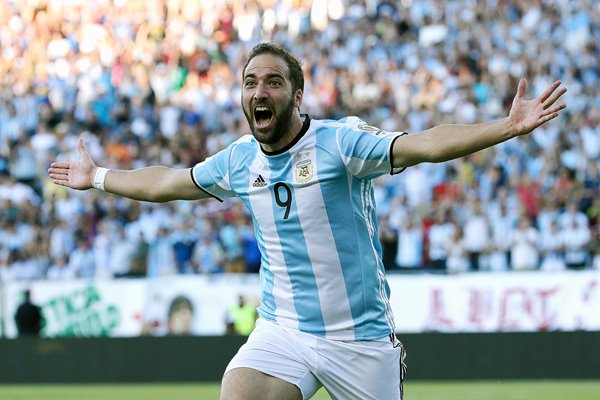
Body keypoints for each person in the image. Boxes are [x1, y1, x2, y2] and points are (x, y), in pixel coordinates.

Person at [48, 42, 567, 400]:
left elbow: (424, 144)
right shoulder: (238, 159)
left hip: (358, 339)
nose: (259, 92)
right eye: (250, 82)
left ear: (296, 97)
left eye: (273, 82)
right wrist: (98, 177)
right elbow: (167, 184)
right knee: (240, 390)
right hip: (284, 329)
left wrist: (505, 127)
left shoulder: (341, 143)